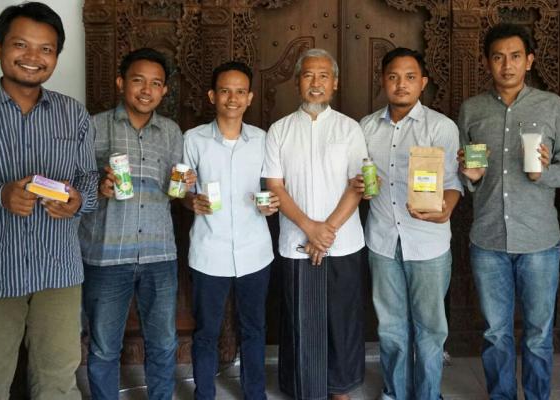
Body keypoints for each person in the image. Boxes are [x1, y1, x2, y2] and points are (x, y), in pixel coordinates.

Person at [0, 2, 97, 398]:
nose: (33, 57)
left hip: (58, 270)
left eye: (46, 49)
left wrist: (78, 200)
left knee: (58, 382)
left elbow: (87, 177)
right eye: (21, 44)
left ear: (56, 56)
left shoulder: (73, 114)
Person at [457, 23, 560, 400]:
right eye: (497, 57)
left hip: (539, 240)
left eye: (514, 56)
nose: (506, 65)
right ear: (486, 62)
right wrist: (469, 176)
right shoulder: (472, 110)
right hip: (488, 238)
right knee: (496, 332)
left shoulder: (551, 105)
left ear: (529, 60)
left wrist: (543, 174)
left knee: (540, 333)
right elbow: (464, 177)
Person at [79, 48, 194, 400]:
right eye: (138, 81)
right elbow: (73, 184)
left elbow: (175, 191)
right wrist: (97, 186)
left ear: (164, 91)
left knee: (163, 342)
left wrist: (186, 191)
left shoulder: (172, 132)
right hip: (106, 255)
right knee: (103, 346)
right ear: (121, 82)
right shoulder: (93, 126)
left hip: (159, 254)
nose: (147, 90)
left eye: (156, 83)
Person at [262, 48, 368, 400]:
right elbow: (274, 186)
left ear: (335, 83)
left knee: (342, 320)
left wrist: (327, 231)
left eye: (324, 76)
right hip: (297, 241)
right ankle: (304, 388)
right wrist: (310, 228)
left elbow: (359, 185)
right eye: (309, 75)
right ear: (297, 82)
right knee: (301, 321)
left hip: (344, 241)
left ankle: (340, 391)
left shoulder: (349, 129)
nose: (316, 82)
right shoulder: (279, 130)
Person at [358, 47, 462, 400]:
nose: (401, 84)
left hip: (428, 243)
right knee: (390, 328)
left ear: (423, 83)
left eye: (410, 77)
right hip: (383, 241)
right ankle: (394, 393)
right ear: (383, 81)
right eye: (393, 77)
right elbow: (359, 177)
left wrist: (446, 207)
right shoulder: (366, 128)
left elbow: (453, 182)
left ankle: (429, 395)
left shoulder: (441, 127)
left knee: (431, 330)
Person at [182, 61, 280, 400]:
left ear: (250, 97)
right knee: (206, 331)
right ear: (213, 95)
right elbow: (180, 188)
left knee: (254, 329)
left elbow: (274, 188)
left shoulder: (264, 141)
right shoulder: (193, 139)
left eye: (240, 92)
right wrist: (189, 200)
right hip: (209, 250)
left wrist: (272, 206)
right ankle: (204, 393)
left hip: (255, 251)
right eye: (225, 91)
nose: (232, 98)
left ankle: (255, 394)